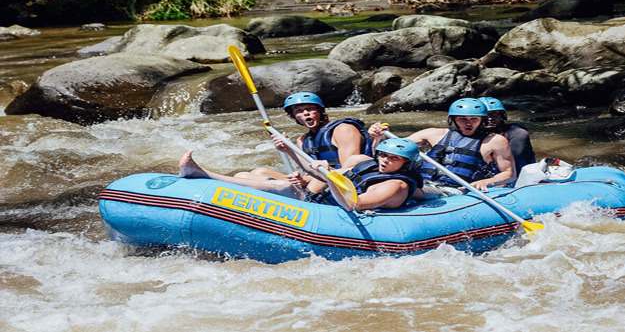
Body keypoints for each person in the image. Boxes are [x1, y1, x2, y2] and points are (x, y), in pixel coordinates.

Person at [178, 137, 423, 211]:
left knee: (275, 187)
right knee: (245, 173)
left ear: (407, 164)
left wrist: (328, 178)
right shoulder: (365, 162)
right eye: (382, 154)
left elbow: (352, 204)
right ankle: (202, 175)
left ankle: (203, 174)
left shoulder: (395, 186)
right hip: (315, 195)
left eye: (393, 158)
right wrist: (290, 152)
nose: (384, 161)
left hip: (321, 208)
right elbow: (315, 173)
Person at [369, 98, 516, 196]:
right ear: (453, 120)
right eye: (462, 119)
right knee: (359, 160)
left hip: (452, 190)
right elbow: (389, 152)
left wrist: (486, 182)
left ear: (482, 120)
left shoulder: (495, 141)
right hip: (422, 182)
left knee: (400, 186)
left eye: (474, 119)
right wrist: (378, 138)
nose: (468, 123)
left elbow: (509, 174)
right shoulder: (434, 134)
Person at [233, 91, 373, 183]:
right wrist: (301, 179)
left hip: (345, 182)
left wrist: (291, 151)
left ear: (320, 111)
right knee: (258, 172)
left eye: (310, 109)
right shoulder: (303, 140)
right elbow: (310, 174)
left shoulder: (343, 129)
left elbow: (349, 171)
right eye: (299, 111)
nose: (306, 114)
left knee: (242, 177)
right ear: (293, 117)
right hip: (319, 181)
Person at [478, 97, 536, 176]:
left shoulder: (517, 133)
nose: (490, 118)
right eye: (487, 114)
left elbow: (516, 163)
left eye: (495, 113)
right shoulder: (469, 132)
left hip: (516, 175)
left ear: (502, 116)